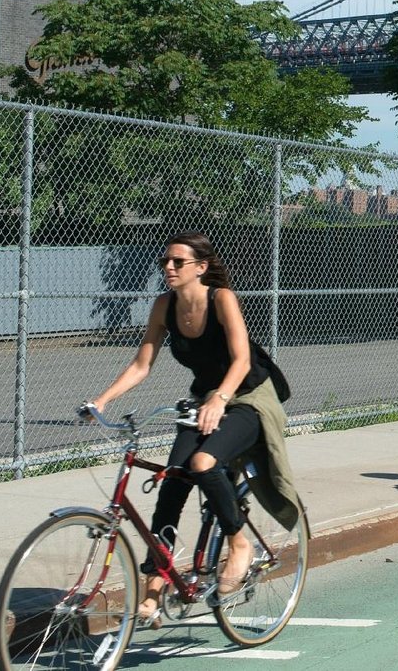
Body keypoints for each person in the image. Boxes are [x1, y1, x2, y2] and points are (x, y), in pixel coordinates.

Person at [85, 232, 299, 626]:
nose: (168, 268)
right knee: (173, 482)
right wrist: (102, 400)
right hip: (205, 401)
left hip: (248, 396)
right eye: (165, 261)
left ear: (200, 267)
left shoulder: (222, 299)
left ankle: (239, 543)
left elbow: (240, 360)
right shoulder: (164, 306)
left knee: (202, 462)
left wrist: (219, 399)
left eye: (177, 262)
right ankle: (155, 585)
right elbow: (141, 364)